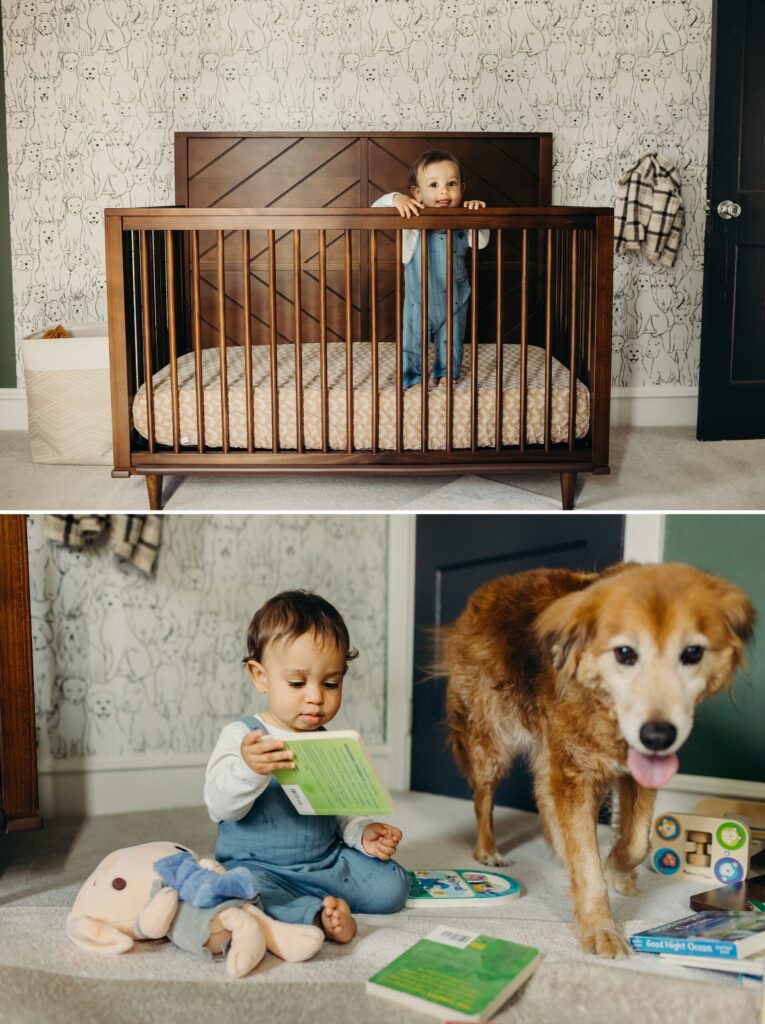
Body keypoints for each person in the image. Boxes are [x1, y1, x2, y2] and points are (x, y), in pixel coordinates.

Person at [204, 589, 409, 944]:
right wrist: (250, 770)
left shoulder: (329, 742)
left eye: (331, 683)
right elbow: (219, 807)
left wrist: (361, 833)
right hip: (260, 868)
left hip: (325, 863)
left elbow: (338, 810)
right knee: (241, 890)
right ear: (260, 676)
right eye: (297, 683)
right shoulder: (242, 736)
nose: (316, 697)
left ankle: (317, 903)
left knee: (392, 886)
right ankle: (315, 916)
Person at [372, 149, 490, 388]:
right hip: (419, 303)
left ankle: (448, 373)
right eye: (434, 185)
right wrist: (396, 199)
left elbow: (482, 242)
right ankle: (413, 377)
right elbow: (374, 209)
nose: (444, 191)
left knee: (452, 340)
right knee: (413, 341)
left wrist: (479, 217)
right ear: (417, 193)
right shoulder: (410, 225)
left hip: (456, 300)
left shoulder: (464, 222)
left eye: (451, 184)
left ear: (462, 189)